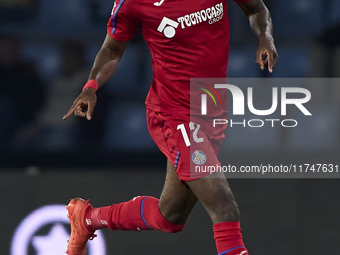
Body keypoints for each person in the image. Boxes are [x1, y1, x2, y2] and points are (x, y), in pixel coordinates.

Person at [63, 0, 278, 254]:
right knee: (224, 206)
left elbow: (256, 9)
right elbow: (111, 50)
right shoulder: (133, 3)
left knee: (170, 217)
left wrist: (266, 38)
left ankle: (87, 218)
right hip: (175, 115)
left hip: (211, 110)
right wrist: (90, 87)